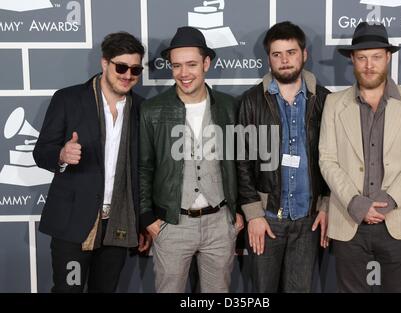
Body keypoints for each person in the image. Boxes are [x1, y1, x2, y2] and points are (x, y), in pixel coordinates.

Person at [319, 22, 401, 292]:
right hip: (350, 221)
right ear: (352, 59)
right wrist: (356, 203)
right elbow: (327, 159)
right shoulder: (334, 103)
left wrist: (388, 200)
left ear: (388, 57)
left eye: (376, 57)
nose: (369, 65)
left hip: (398, 219)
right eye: (362, 58)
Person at [33, 31, 147, 292]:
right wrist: (61, 155)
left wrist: (141, 221)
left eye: (135, 69)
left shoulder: (142, 108)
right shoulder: (68, 99)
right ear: (105, 63)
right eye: (121, 67)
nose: (128, 75)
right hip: (73, 224)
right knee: (68, 290)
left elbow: (142, 171)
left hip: (118, 224)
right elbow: (42, 152)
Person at [139, 26, 244, 293]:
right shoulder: (153, 110)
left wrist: (240, 211)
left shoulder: (229, 106)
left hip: (220, 222)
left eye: (191, 64)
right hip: (173, 224)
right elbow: (142, 167)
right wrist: (147, 218)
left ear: (206, 63)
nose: (184, 74)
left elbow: (242, 163)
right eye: (176, 66)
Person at [236, 21, 330, 293]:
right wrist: (253, 214)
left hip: (307, 218)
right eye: (277, 54)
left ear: (304, 54)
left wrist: (325, 206)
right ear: (269, 59)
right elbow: (241, 161)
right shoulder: (251, 101)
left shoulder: (325, 100)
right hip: (266, 218)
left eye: (291, 52)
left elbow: (333, 159)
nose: (284, 60)